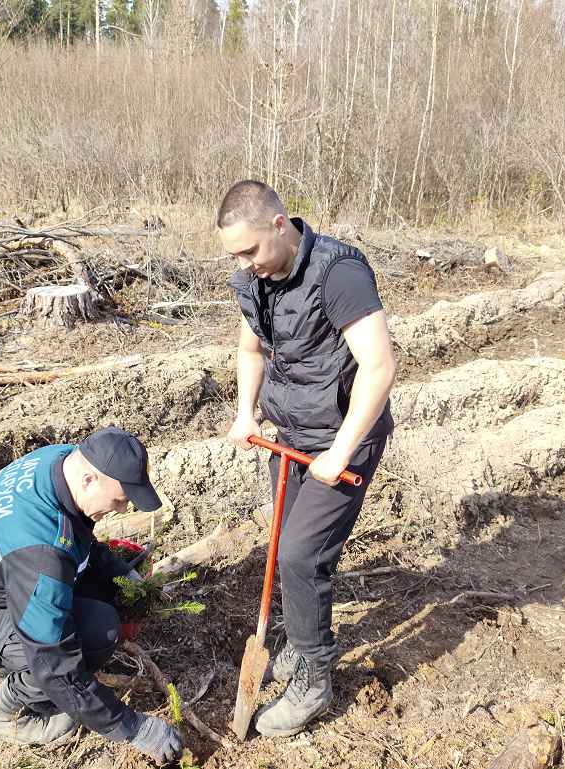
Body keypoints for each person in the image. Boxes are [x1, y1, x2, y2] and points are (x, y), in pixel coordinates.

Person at [217, 180, 397, 737]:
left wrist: (340, 451)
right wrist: (246, 413)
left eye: (250, 251)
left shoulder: (339, 272)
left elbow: (379, 367)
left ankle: (316, 677)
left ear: (280, 224)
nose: (245, 265)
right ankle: (299, 640)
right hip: (290, 434)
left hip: (343, 439)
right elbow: (250, 349)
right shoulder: (254, 280)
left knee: (301, 554)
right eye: (234, 256)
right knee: (285, 546)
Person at [0, 427, 183, 764]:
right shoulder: (40, 553)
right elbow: (53, 658)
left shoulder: (62, 460)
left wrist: (119, 572)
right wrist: (133, 727)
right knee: (96, 633)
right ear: (89, 480)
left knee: (98, 594)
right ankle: (2, 715)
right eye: (119, 499)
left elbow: (75, 536)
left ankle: (1, 661)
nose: (122, 508)